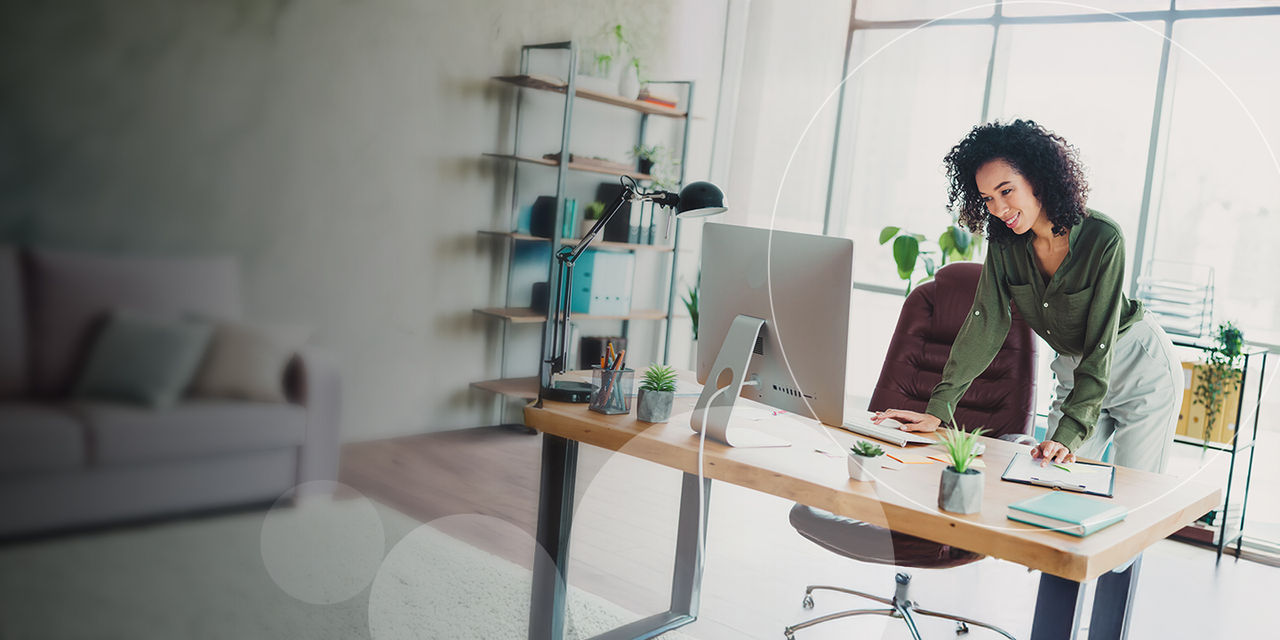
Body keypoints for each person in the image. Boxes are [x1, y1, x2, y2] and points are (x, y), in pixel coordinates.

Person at [872, 119, 1183, 473]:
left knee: (1132, 492)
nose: (998, 208)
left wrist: (1070, 431)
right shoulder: (1005, 243)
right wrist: (938, 411)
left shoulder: (1103, 237)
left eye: (1006, 191)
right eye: (987, 198)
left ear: (1037, 179)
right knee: (1049, 480)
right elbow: (985, 322)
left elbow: (1100, 341)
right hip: (1074, 372)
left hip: (1138, 369)